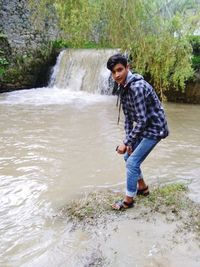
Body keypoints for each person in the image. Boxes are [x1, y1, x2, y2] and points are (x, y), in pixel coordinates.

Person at [106, 53, 169, 210]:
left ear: (128, 67)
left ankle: (128, 201)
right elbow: (128, 118)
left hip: (155, 128)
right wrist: (129, 141)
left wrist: (126, 142)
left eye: (120, 70)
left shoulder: (136, 88)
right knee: (128, 155)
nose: (117, 75)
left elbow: (141, 121)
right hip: (145, 127)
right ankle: (143, 188)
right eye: (113, 72)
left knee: (132, 162)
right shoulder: (123, 86)